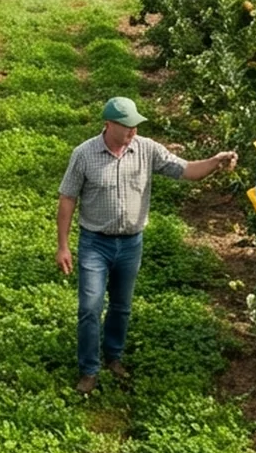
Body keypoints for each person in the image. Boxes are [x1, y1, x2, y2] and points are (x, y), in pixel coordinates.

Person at [56, 97, 236, 394]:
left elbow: (187, 170)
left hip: (131, 243)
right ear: (109, 124)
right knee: (90, 307)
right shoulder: (84, 154)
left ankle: (113, 356)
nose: (133, 131)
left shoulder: (147, 149)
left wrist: (216, 162)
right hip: (95, 243)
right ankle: (89, 369)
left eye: (136, 125)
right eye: (127, 126)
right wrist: (62, 245)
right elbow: (67, 198)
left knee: (121, 306)